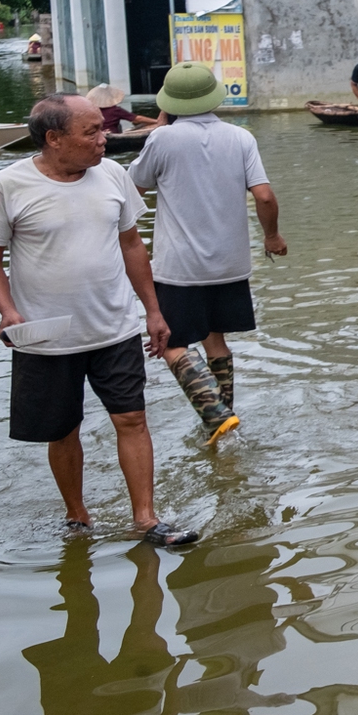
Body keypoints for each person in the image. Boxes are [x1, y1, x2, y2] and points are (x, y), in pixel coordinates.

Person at [0, 93, 197, 544]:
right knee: (63, 428)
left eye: (103, 128)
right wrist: (8, 311)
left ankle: (147, 519)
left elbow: (133, 246)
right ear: (54, 139)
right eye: (91, 131)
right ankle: (78, 516)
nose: (104, 138)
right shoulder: (6, 186)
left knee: (132, 419)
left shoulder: (113, 175)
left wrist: (153, 311)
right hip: (46, 334)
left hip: (114, 326)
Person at [128, 63, 287, 442]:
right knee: (215, 340)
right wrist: (272, 237)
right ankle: (222, 421)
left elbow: (134, 187)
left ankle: (215, 414)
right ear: (213, 95)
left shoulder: (163, 139)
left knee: (171, 343)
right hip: (231, 265)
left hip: (179, 268)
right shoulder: (241, 137)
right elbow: (264, 195)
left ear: (169, 102)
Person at [85, 84, 158, 134]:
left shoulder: (92, 110)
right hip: (112, 133)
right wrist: (156, 121)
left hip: (98, 133)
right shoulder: (115, 110)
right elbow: (136, 119)